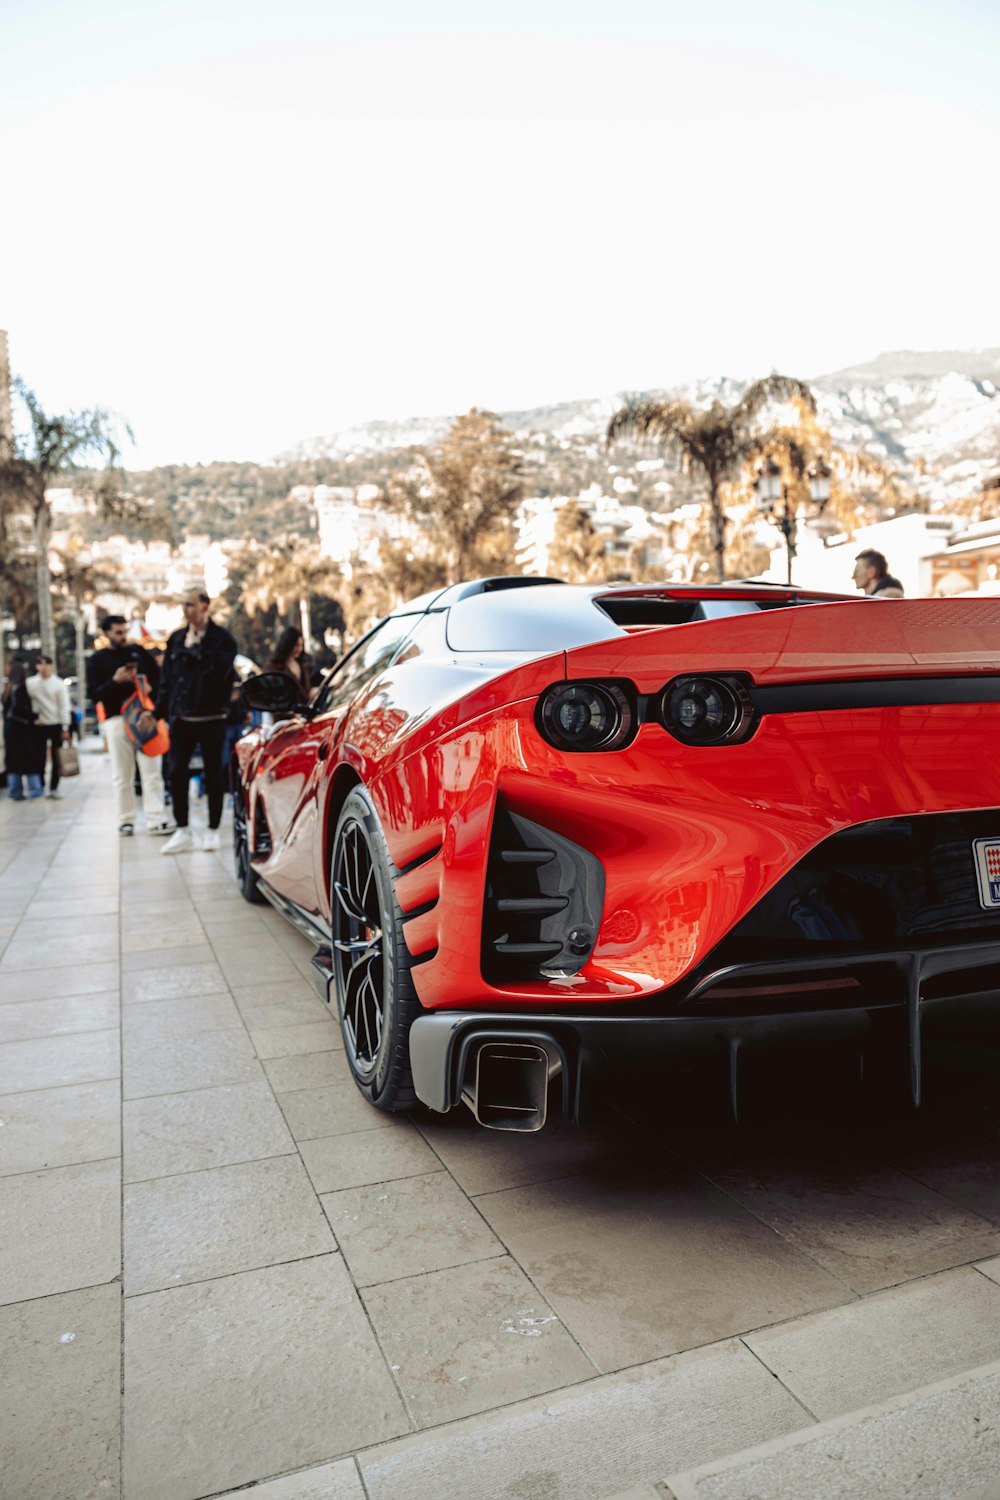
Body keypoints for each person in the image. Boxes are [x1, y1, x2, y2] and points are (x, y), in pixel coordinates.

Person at [152, 588, 237, 855]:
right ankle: (182, 829)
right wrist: (157, 713)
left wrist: (197, 647)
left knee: (213, 774)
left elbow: (219, 671)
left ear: (205, 606)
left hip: (212, 717)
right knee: (176, 772)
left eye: (191, 605)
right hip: (182, 718)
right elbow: (167, 680)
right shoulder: (176, 639)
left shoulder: (222, 639)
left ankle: (212, 830)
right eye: (183, 605)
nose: (186, 610)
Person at [86, 615, 172, 836]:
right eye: (117, 632)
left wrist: (149, 687)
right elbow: (93, 694)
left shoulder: (138, 652)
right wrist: (115, 682)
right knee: (122, 774)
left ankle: (156, 818)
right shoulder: (97, 660)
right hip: (116, 719)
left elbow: (161, 678)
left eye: (124, 631)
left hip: (144, 716)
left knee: (152, 771)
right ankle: (126, 820)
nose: (123, 636)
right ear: (106, 633)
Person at [27, 655, 71, 799]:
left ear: (51, 666)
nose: (43, 667)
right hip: (38, 725)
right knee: (38, 757)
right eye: (40, 664)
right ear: (36, 666)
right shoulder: (31, 683)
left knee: (57, 758)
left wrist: (65, 727)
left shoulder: (58, 684)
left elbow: (64, 705)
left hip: (56, 724)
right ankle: (39, 786)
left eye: (46, 664)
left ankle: (53, 788)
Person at [2, 661, 45, 800]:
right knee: (30, 760)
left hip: (10, 730)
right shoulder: (20, 689)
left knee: (13, 761)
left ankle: (15, 791)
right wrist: (36, 716)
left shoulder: (7, 689)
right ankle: (35, 790)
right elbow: (22, 710)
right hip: (23, 731)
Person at [265, 626, 312, 704]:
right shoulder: (274, 668)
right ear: (288, 644)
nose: (299, 649)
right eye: (296, 645)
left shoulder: (303, 664)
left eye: (301, 645)